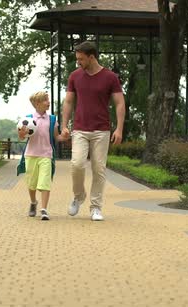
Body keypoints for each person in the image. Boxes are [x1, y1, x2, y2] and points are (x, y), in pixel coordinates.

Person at [60, 41, 126, 222]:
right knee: (77, 165)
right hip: (80, 129)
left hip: (101, 131)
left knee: (99, 169)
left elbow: (120, 103)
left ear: (91, 57)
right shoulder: (74, 76)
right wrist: (64, 125)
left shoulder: (110, 77)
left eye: (81, 59)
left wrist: (119, 129)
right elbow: (68, 102)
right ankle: (78, 196)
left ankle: (96, 207)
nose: (78, 62)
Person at [17, 91, 68, 221]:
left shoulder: (52, 119)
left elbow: (56, 136)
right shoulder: (27, 119)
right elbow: (22, 137)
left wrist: (65, 136)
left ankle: (44, 209)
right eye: (45, 100)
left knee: (45, 183)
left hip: (46, 155)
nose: (48, 102)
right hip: (31, 155)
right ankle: (33, 202)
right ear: (37, 103)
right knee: (31, 184)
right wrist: (22, 134)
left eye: (48, 99)